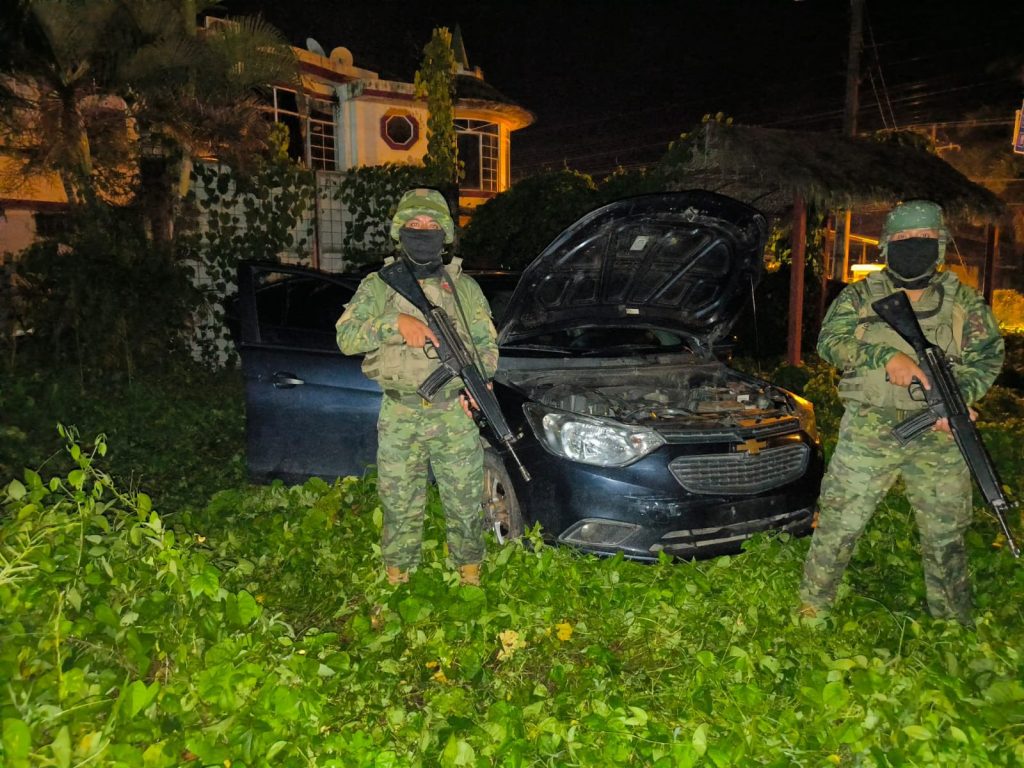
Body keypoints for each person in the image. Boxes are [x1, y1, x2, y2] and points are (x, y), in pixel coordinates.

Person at [798, 200, 1004, 625]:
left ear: (942, 246)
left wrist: (958, 396)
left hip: (940, 433)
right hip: (870, 427)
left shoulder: (962, 300)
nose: (916, 246)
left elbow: (987, 356)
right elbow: (829, 341)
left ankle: (952, 619)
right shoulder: (861, 294)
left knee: (946, 531)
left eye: (927, 239)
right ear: (887, 246)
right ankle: (813, 605)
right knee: (840, 519)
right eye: (906, 239)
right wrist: (882, 357)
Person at [335, 188, 498, 586]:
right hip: (401, 411)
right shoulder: (379, 285)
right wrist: (394, 325)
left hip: (451, 411)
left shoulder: (464, 288)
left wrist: (477, 389)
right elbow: (347, 337)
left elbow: (485, 345)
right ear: (400, 230)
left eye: (430, 225)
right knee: (399, 500)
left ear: (444, 232)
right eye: (414, 224)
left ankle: (470, 572)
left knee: (463, 497)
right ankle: (397, 576)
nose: (422, 231)